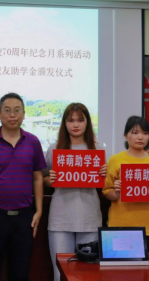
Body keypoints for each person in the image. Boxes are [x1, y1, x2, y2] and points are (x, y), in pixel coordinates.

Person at [0, 93, 47, 281]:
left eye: (17, 110)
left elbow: (38, 178)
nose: (12, 115)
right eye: (7, 110)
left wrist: (38, 211)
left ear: (24, 114)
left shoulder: (33, 142)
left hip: (24, 218)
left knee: (20, 272)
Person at [43, 103, 107, 281]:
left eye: (80, 120)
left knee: (86, 275)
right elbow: (44, 179)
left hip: (89, 217)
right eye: (71, 120)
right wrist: (50, 179)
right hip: (60, 218)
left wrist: (104, 174)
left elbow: (104, 183)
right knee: (60, 274)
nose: (76, 124)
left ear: (87, 122)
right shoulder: (54, 148)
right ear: (65, 123)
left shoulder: (97, 148)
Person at [103, 116, 149, 253]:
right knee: (121, 265)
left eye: (145, 133)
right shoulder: (115, 160)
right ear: (126, 135)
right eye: (135, 133)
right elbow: (107, 192)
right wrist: (117, 192)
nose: (140, 137)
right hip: (121, 224)